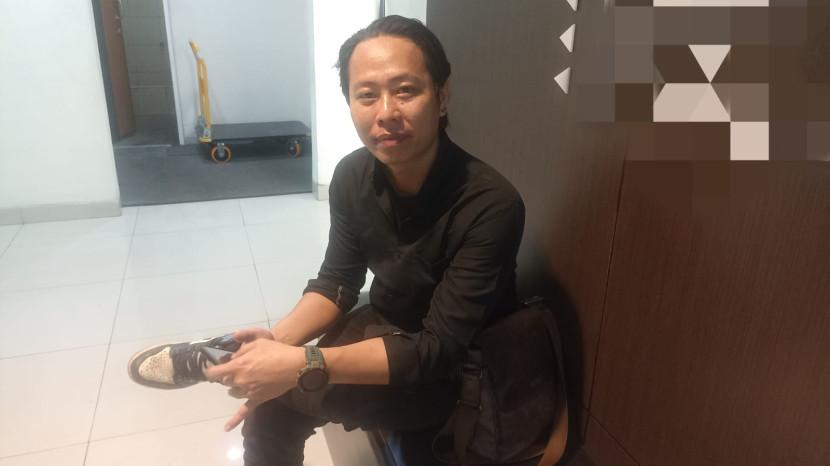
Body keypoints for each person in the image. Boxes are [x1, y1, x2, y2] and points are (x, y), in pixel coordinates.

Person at [128, 15, 525, 465]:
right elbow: (337, 281)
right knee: (274, 390)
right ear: (350, 103)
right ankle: (237, 355)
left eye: (405, 90)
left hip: (457, 372)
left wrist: (302, 364)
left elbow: (438, 351)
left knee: (280, 394)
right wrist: (277, 342)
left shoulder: (491, 204)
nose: (386, 112)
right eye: (367, 95)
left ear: (442, 95)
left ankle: (223, 360)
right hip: (389, 323)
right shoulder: (353, 175)